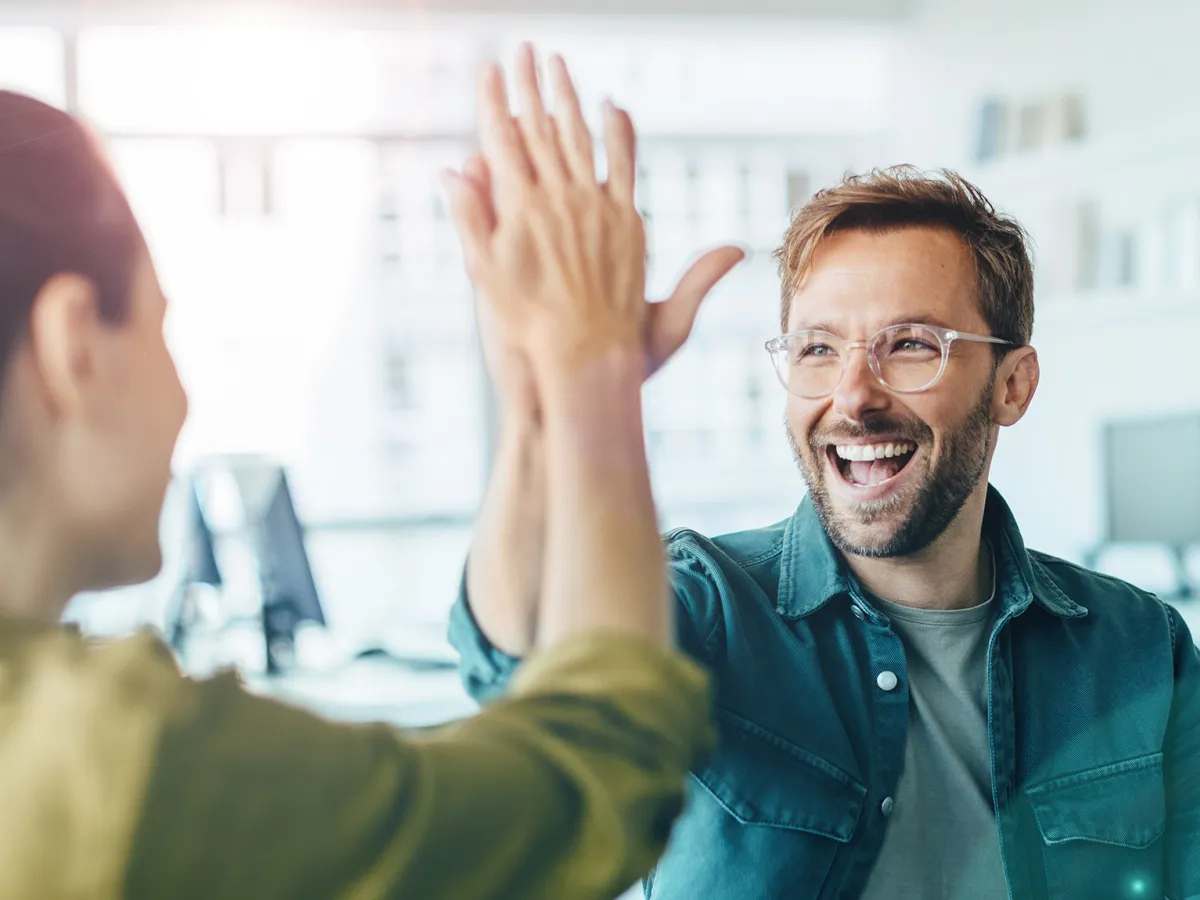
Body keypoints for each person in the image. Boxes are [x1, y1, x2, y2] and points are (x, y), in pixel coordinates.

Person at [0, 46, 730, 899]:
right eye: (162, 328)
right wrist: (592, 363)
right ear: (74, 346)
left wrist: (541, 409)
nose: (186, 400)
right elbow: (592, 781)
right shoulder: (99, 758)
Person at [450, 163, 1200, 899]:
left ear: (1012, 385)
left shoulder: (1143, 649)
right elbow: (519, 658)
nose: (852, 395)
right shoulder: (707, 611)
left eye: (909, 343)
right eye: (818, 349)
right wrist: (548, 404)